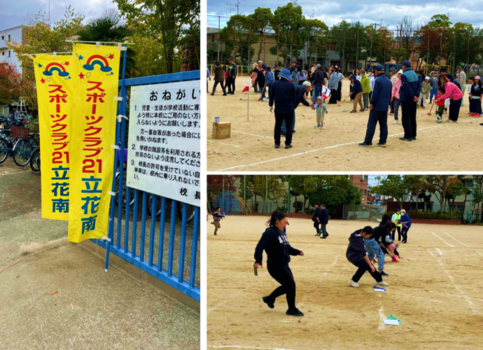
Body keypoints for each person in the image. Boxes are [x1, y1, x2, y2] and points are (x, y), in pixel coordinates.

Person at [254, 211, 305, 317]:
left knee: (288, 286)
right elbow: (260, 247)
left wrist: (297, 252)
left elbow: (286, 247)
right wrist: (258, 260)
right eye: (284, 222)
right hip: (275, 266)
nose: (285, 225)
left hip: (284, 264)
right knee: (290, 285)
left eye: (287, 223)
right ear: (277, 222)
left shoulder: (282, 231)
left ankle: (269, 298)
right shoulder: (270, 233)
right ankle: (291, 309)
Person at [359, 64, 392, 147]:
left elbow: (375, 94)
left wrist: (372, 103)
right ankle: (382, 141)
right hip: (385, 106)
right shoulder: (389, 81)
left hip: (377, 106)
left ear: (377, 71)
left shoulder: (377, 80)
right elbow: (390, 94)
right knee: (383, 124)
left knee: (371, 124)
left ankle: (368, 141)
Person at [269, 68, 296, 149]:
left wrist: (270, 105)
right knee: (289, 126)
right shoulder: (291, 85)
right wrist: (293, 106)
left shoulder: (274, 84)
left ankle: (277, 143)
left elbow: (271, 96)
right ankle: (287, 143)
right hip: (289, 108)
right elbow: (294, 98)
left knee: (278, 125)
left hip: (278, 108)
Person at [399, 60, 421, 141]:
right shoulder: (415, 74)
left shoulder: (404, 75)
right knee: (412, 117)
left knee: (406, 117)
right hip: (414, 100)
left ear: (404, 66)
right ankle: (413, 134)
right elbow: (419, 86)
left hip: (407, 99)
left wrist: (411, 97)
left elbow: (407, 88)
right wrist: (416, 96)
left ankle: (407, 135)